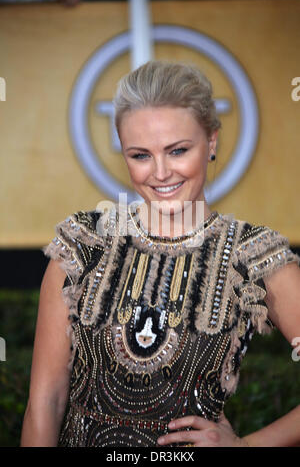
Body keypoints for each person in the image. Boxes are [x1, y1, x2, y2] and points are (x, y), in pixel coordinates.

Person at [21, 61, 300, 447]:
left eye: (178, 150)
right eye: (140, 155)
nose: (161, 172)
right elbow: (45, 401)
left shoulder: (251, 256)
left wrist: (245, 446)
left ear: (212, 142)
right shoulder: (84, 246)